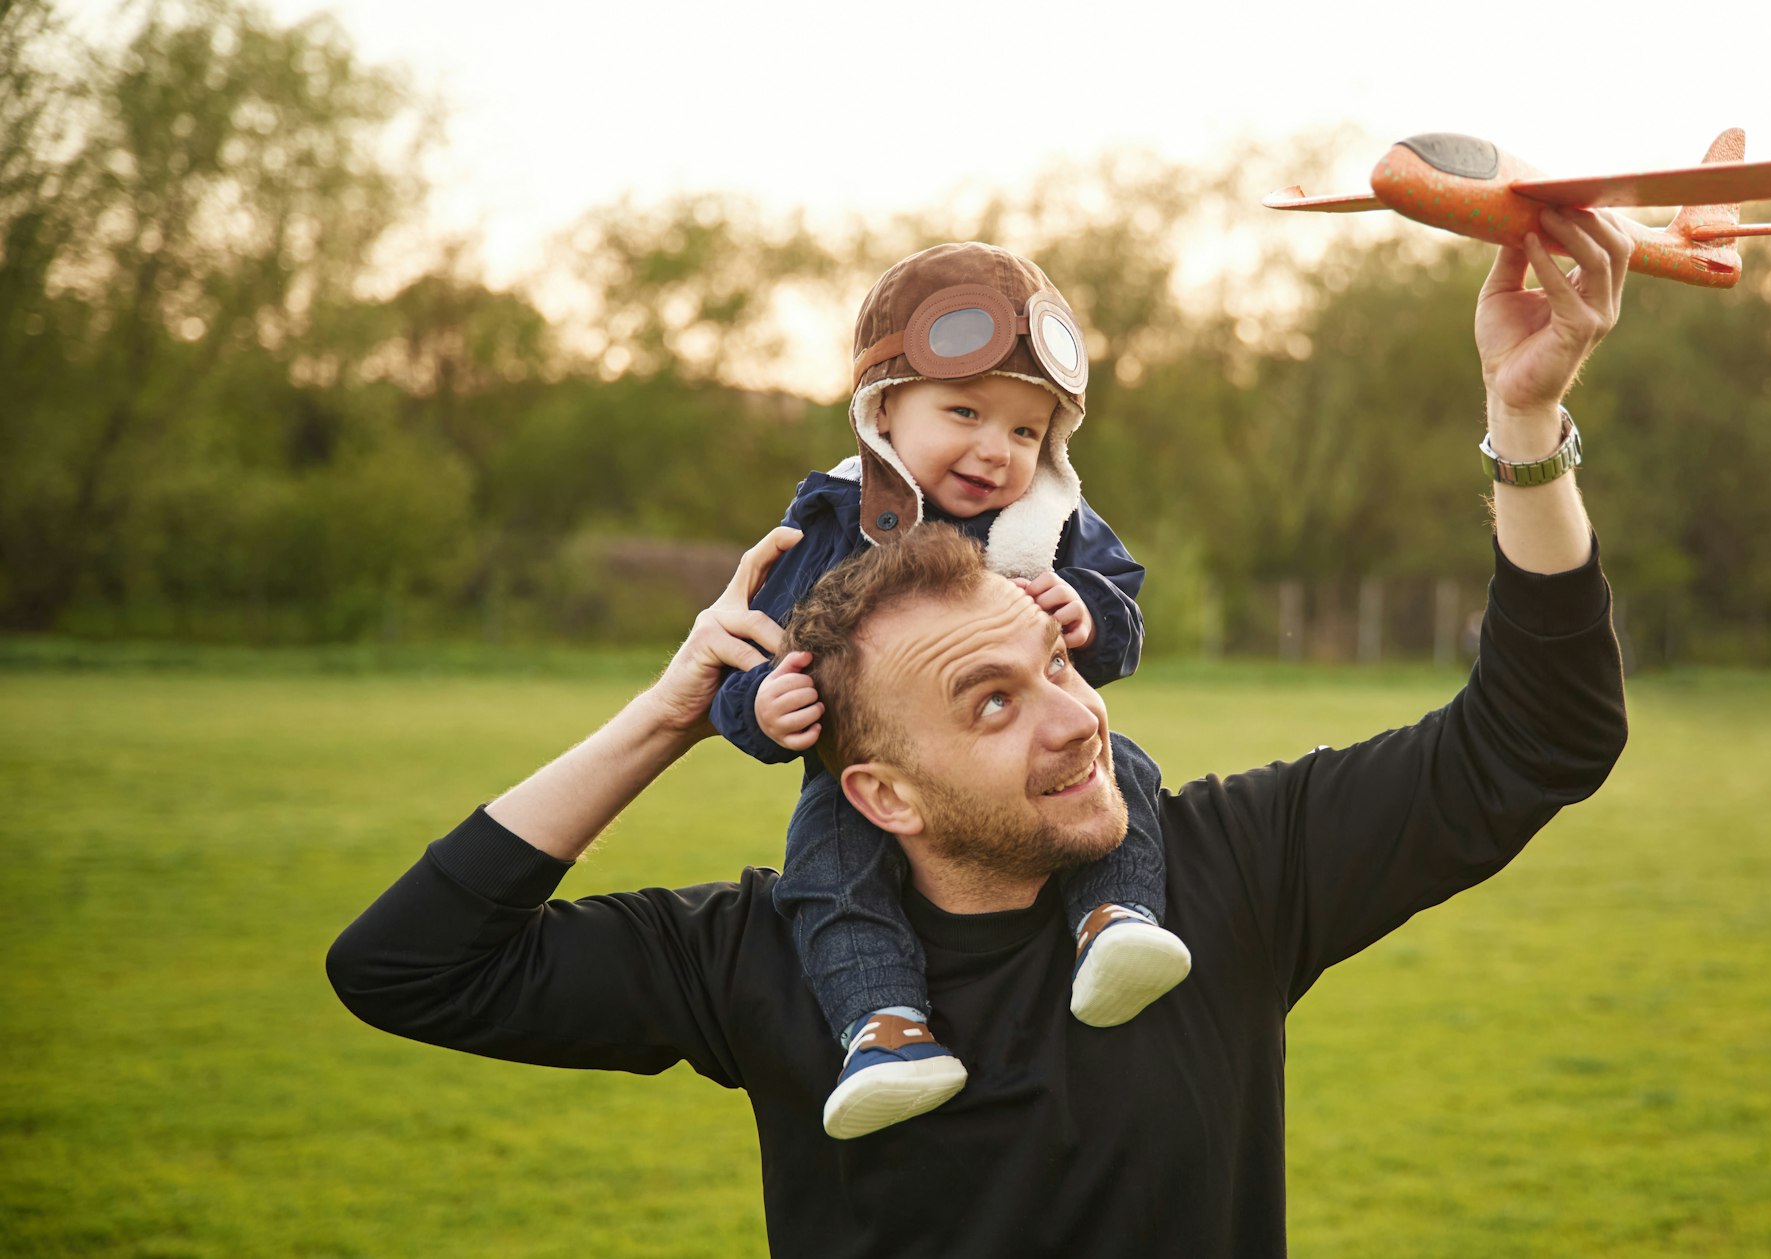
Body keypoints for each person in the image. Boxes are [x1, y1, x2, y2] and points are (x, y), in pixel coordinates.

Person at [327, 207, 1634, 1256]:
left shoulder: (1222, 874)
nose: (1075, 719)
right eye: (990, 702)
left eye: (1053, 664)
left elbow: (1543, 734)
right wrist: (672, 712)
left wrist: (1523, 427)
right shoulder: (771, 955)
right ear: (878, 791)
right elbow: (408, 967)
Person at [708, 242, 1189, 1139]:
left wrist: (1087, 610)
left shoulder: (1050, 523)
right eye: (964, 410)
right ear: (883, 408)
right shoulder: (832, 519)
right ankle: (885, 1029)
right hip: (867, 779)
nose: (995, 449)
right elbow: (744, 666)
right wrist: (763, 711)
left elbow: (1122, 622)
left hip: (1031, 755)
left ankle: (1116, 921)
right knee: (826, 866)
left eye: (1024, 430)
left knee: (1122, 769)